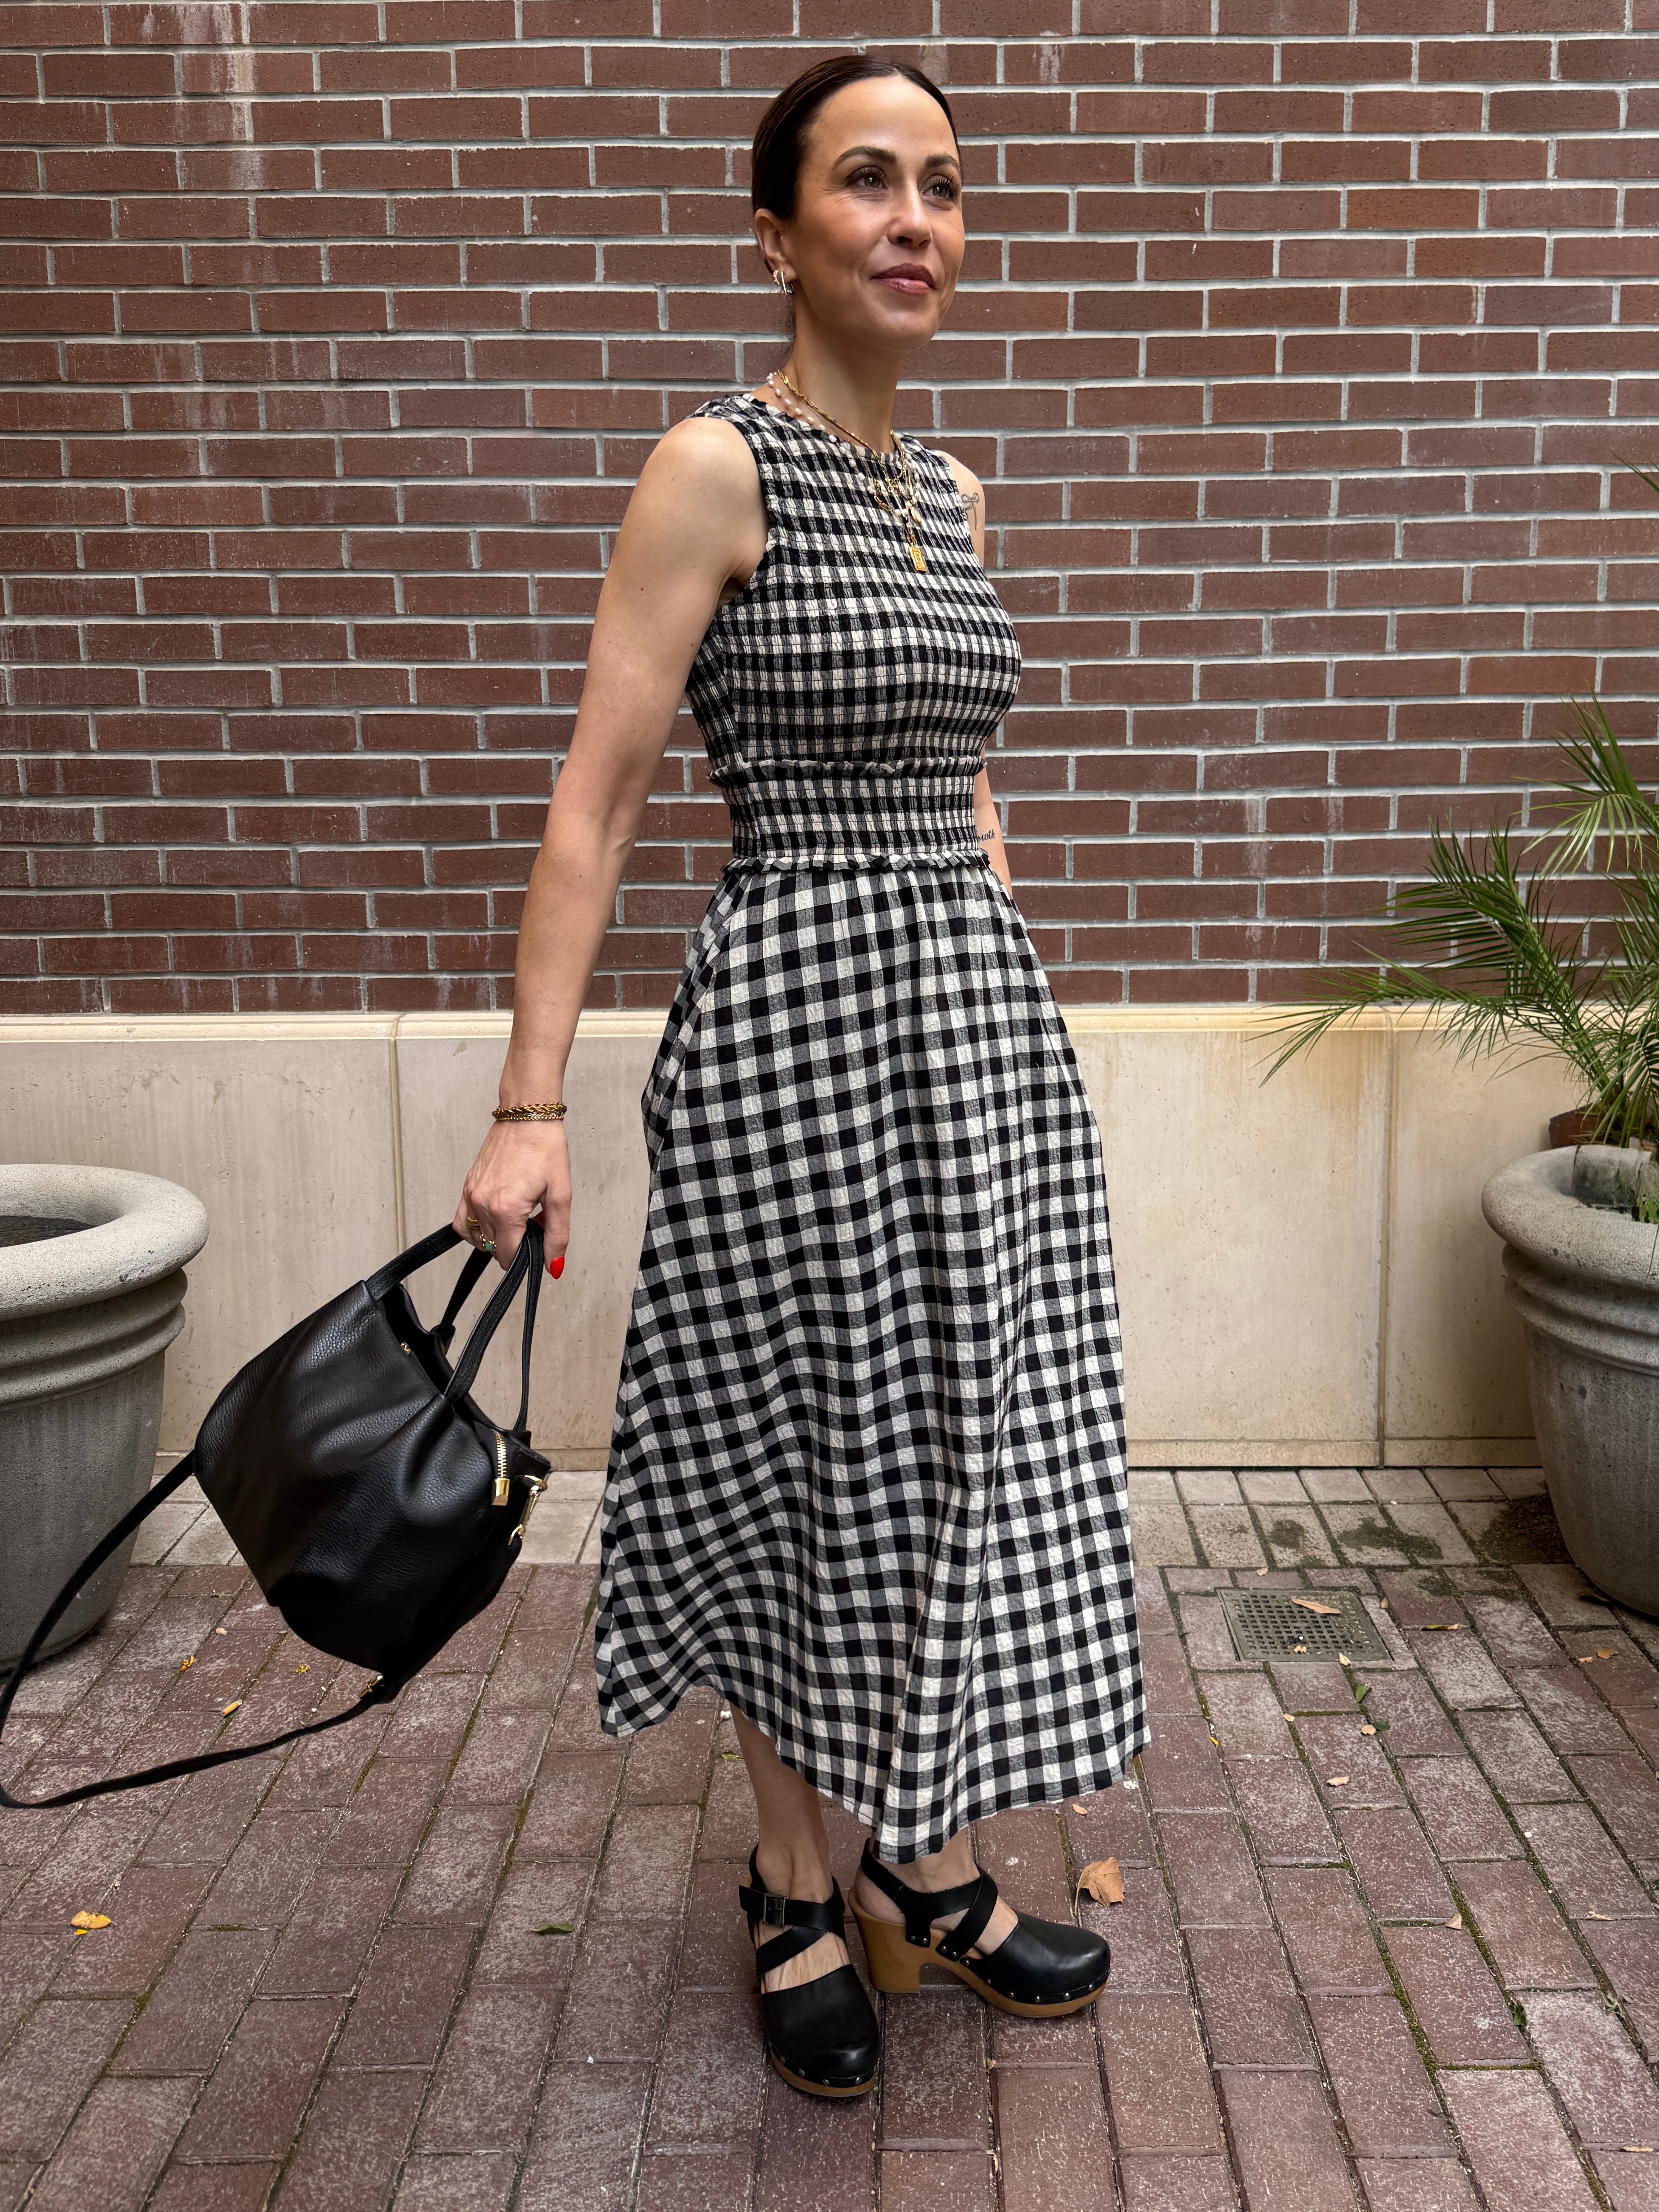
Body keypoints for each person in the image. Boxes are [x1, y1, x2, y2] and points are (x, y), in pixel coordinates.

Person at [454, 52, 1145, 2100]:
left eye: (943, 183)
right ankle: (789, 1881)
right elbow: (595, 802)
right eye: (865, 180)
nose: (916, 220)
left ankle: (921, 1863)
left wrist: (993, 909)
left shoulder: (950, 494)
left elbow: (961, 762)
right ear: (777, 232)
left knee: (962, 1439)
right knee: (795, 1449)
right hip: (794, 1033)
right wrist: (527, 1104)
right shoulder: (714, 466)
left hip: (970, 1042)